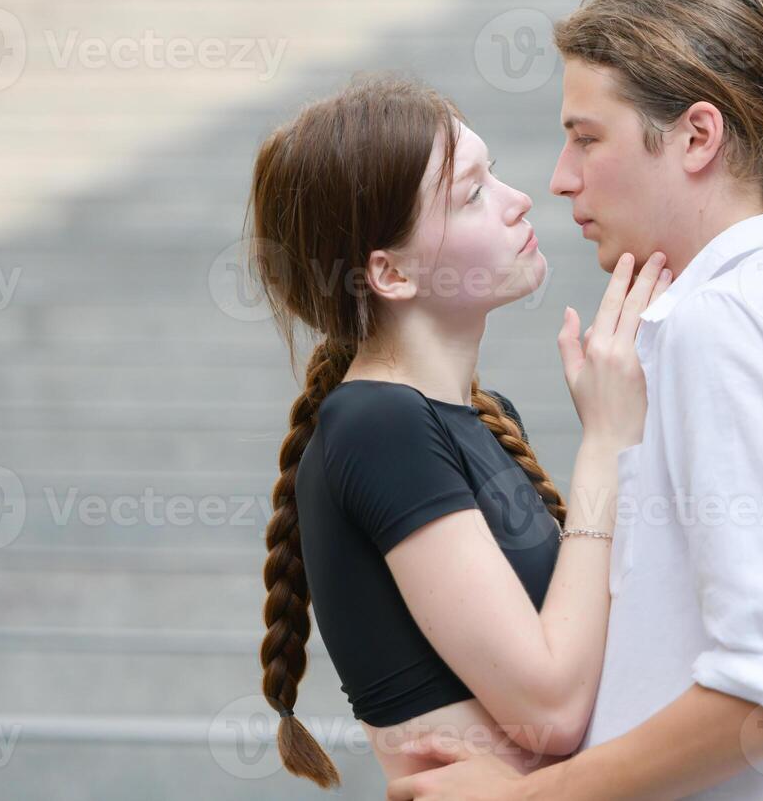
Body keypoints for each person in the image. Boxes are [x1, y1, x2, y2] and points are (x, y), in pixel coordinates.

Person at [389, 0, 763, 800]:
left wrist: (527, 798)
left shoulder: (730, 322)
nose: (561, 178)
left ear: (697, 137)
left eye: (587, 137)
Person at [246, 74, 670, 787]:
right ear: (390, 272)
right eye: (472, 194)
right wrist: (604, 442)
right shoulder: (376, 425)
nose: (518, 200)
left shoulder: (474, 416)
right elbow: (552, 706)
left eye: (492, 174)